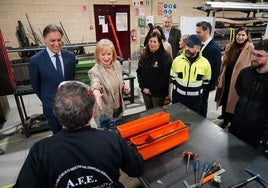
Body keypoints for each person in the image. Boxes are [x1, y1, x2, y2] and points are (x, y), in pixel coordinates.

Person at [13, 81, 144, 187]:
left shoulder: (40, 151)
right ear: (91, 113)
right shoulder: (111, 139)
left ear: (56, 114)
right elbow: (137, 169)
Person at [28, 24, 76, 134]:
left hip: (70, 105)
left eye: (59, 40)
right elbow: (36, 85)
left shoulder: (70, 56)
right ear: (45, 39)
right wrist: (46, 99)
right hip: (51, 106)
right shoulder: (35, 60)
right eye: (52, 40)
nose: (56, 44)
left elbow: (71, 78)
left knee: (73, 133)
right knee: (58, 134)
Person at [228, 39, 268, 154]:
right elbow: (239, 89)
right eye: (253, 54)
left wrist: (264, 139)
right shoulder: (245, 73)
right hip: (236, 127)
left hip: (256, 134)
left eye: (259, 55)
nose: (254, 58)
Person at [215, 27, 254, 128]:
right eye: (239, 35)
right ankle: (225, 116)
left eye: (243, 35)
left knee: (234, 100)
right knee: (225, 97)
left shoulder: (250, 48)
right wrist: (220, 75)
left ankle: (230, 119)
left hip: (239, 78)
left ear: (247, 36)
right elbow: (224, 62)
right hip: (227, 76)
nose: (240, 37)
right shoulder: (230, 46)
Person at [88, 39, 130, 127]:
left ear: (113, 54)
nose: (106, 58)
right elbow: (95, 83)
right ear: (97, 55)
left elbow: (118, 80)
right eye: (102, 54)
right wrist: (96, 92)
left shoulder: (117, 64)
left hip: (119, 110)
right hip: (104, 113)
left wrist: (123, 87)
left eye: (109, 54)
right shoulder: (94, 71)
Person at [170, 34, 211, 115]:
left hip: (195, 101)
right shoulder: (177, 60)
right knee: (177, 119)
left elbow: (206, 81)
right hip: (178, 98)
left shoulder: (205, 63)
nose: (187, 49)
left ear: (198, 48)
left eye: (191, 47)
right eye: (187, 45)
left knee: (193, 122)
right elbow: (173, 77)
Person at [136, 32, 172, 109]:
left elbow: (165, 77)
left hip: (158, 94)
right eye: (150, 41)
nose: (152, 44)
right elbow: (139, 72)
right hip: (145, 92)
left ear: (159, 43)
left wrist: (151, 90)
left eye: (155, 42)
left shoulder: (165, 57)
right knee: (148, 112)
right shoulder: (145, 55)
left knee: (156, 113)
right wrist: (143, 87)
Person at [196, 21, 222, 118]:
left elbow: (216, 69)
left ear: (207, 31)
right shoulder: (202, 45)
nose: (197, 34)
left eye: (199, 32)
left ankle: (202, 121)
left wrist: (210, 85)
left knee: (203, 104)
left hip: (206, 85)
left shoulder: (214, 48)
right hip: (199, 83)